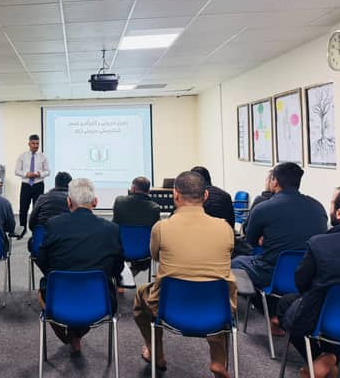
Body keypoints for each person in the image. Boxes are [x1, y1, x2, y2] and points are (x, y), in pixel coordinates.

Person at [134, 171, 235, 378]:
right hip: (217, 310)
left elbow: (155, 256)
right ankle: (218, 361)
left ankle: (156, 354)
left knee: (140, 296)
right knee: (218, 291)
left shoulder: (162, 228)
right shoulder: (225, 228)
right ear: (205, 196)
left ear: (175, 195)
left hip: (170, 307)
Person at [232, 162, 327, 334]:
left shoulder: (263, 208)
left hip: (271, 273)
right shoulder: (318, 207)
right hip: (307, 275)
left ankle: (254, 315)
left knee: (236, 262)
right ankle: (277, 315)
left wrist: (265, 239)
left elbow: (250, 241)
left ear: (275, 182)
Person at [36, 178, 124, 354]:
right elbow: (117, 268)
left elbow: (42, 261)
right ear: (95, 202)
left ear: (68, 202)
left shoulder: (54, 225)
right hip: (99, 300)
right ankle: (76, 335)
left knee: (42, 291)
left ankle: (71, 337)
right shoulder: (111, 229)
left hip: (59, 297)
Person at [277, 187, 340, 378]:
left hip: (323, 316)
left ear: (339, 213)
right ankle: (330, 357)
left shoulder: (319, 244)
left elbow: (301, 283)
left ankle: (325, 357)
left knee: (286, 305)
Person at [113, 176, 161, 275]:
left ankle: (122, 277)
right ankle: (131, 273)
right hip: (144, 252)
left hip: (120, 249)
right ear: (148, 191)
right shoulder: (154, 208)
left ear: (133, 188)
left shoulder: (119, 201)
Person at [15, 134, 50, 239]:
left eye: (37, 143)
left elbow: (48, 171)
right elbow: (17, 171)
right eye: (33, 143)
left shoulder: (43, 156)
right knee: (23, 209)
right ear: (29, 144)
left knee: (37, 209)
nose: (35, 145)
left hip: (38, 185)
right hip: (26, 185)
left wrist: (40, 174)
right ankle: (22, 230)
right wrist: (26, 174)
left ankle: (36, 231)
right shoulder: (23, 156)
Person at [27, 171, 72, 251]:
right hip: (66, 250)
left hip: (42, 248)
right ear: (70, 185)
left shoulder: (42, 198)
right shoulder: (73, 201)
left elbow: (32, 224)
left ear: (55, 184)